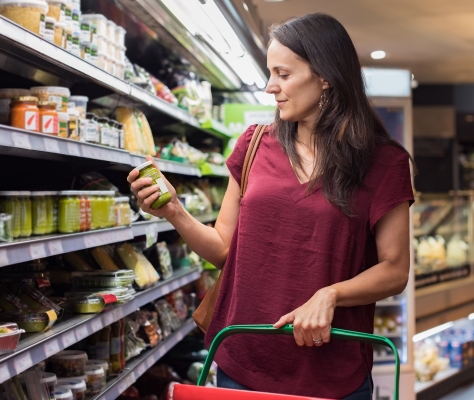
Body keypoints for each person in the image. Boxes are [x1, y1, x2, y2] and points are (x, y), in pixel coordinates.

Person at [127, 13, 414, 400]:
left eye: (283, 74)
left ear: (326, 76)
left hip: (334, 373)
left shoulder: (384, 162)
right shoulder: (254, 145)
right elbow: (224, 250)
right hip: (245, 360)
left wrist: (330, 295)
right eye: (269, 73)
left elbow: (395, 271)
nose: (269, 87)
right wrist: (175, 210)